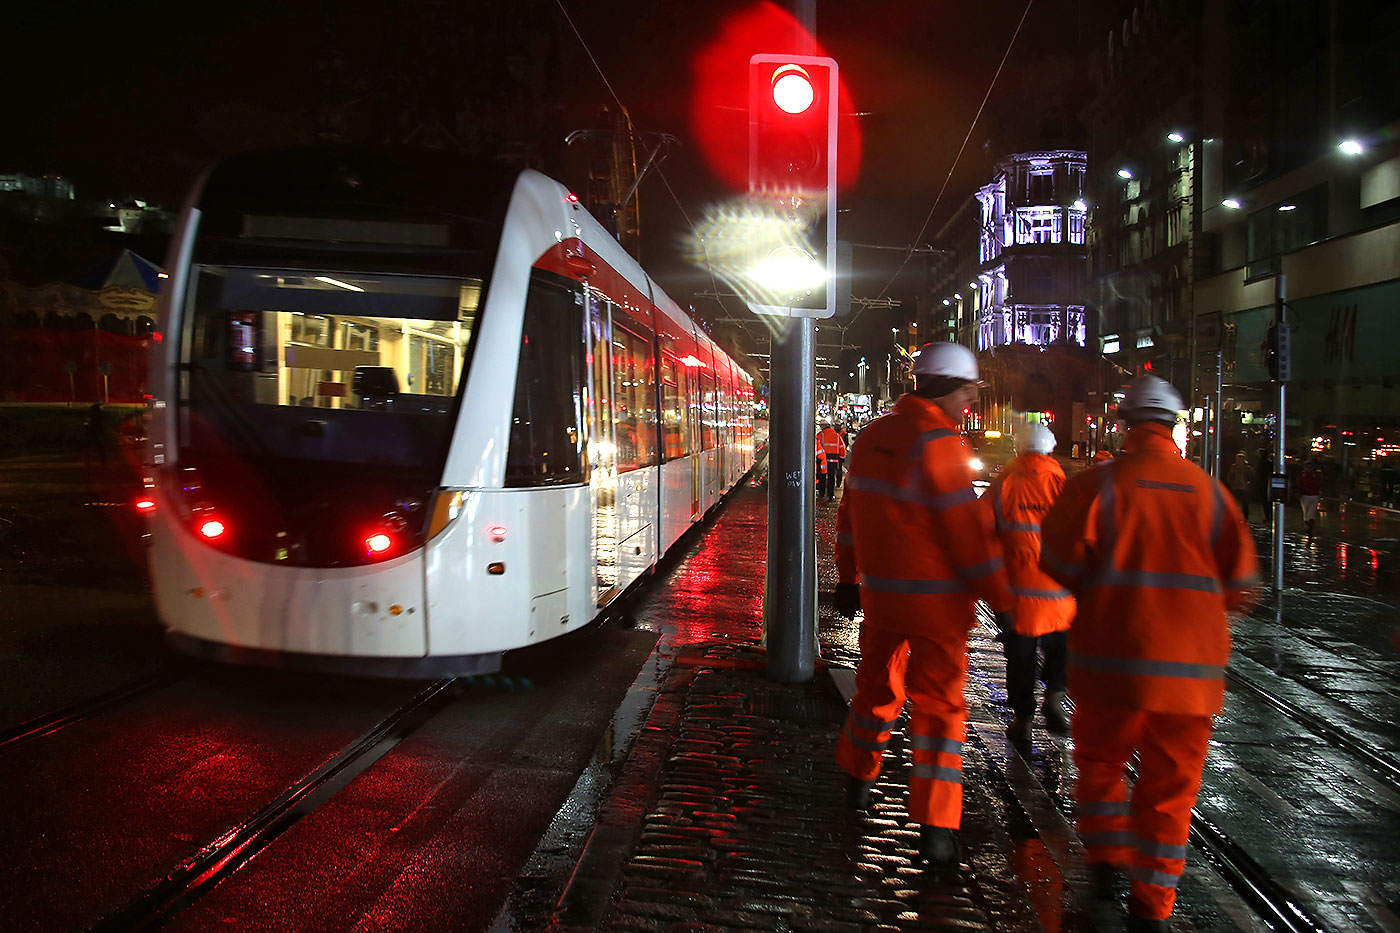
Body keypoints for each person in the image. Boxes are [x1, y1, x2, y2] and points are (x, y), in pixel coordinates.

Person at [1040, 375, 1259, 932]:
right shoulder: (1211, 493)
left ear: (1123, 425)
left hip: (1112, 666)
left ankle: (1107, 864)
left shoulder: (1096, 486)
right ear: (1176, 427)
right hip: (1192, 678)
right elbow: (1241, 587)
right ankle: (1152, 908)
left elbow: (1058, 564)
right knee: (1171, 791)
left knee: (1101, 767)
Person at [832, 341, 1014, 868]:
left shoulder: (869, 438)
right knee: (939, 713)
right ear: (949, 389)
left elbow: (848, 515)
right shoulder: (939, 443)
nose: (970, 403)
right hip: (937, 608)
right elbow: (965, 536)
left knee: (876, 688)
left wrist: (849, 580)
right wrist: (1001, 601)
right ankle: (936, 830)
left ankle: (859, 781)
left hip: (883, 599)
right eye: (968, 392)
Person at [990, 421, 1074, 745]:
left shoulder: (1005, 482)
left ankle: (1023, 719)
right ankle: (1054, 695)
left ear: (1019, 448)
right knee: (1058, 646)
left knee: (1020, 657)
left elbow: (985, 527)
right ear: (1050, 449)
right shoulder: (1063, 484)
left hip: (1018, 592)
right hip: (1057, 589)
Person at [818, 421, 847, 500]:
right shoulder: (837, 436)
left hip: (822, 461)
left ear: (823, 426)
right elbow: (842, 448)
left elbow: (816, 447)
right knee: (831, 477)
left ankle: (821, 493)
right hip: (834, 460)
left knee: (822, 477)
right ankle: (830, 495)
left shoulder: (821, 435)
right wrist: (842, 458)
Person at [1297, 460, 1323, 541]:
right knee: (1311, 513)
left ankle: (1308, 527)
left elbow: (1299, 484)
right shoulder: (1316, 475)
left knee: (1306, 513)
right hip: (1313, 495)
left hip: (1305, 495)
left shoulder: (1302, 475)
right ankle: (1310, 527)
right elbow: (1319, 483)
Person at [1226, 451, 1253, 520]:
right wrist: (1232, 482)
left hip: (1244, 487)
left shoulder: (1247, 468)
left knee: (1245, 504)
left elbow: (1251, 477)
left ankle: (1244, 517)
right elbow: (1229, 476)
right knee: (1234, 503)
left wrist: (1248, 483)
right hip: (1236, 486)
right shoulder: (1234, 467)